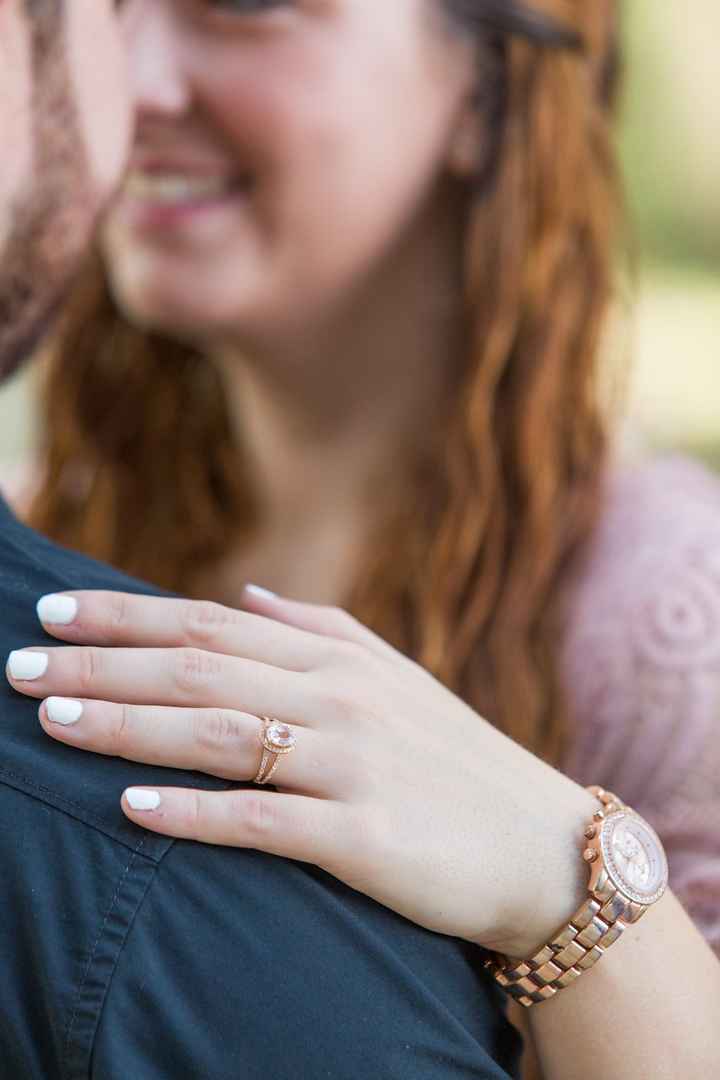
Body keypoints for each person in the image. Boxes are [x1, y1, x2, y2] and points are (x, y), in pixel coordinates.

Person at [2, 3, 719, 1080]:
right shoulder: (44, 522)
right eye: (110, 7)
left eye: (239, 10)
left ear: (482, 88)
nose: (138, 84)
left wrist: (564, 882)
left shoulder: (668, 619)